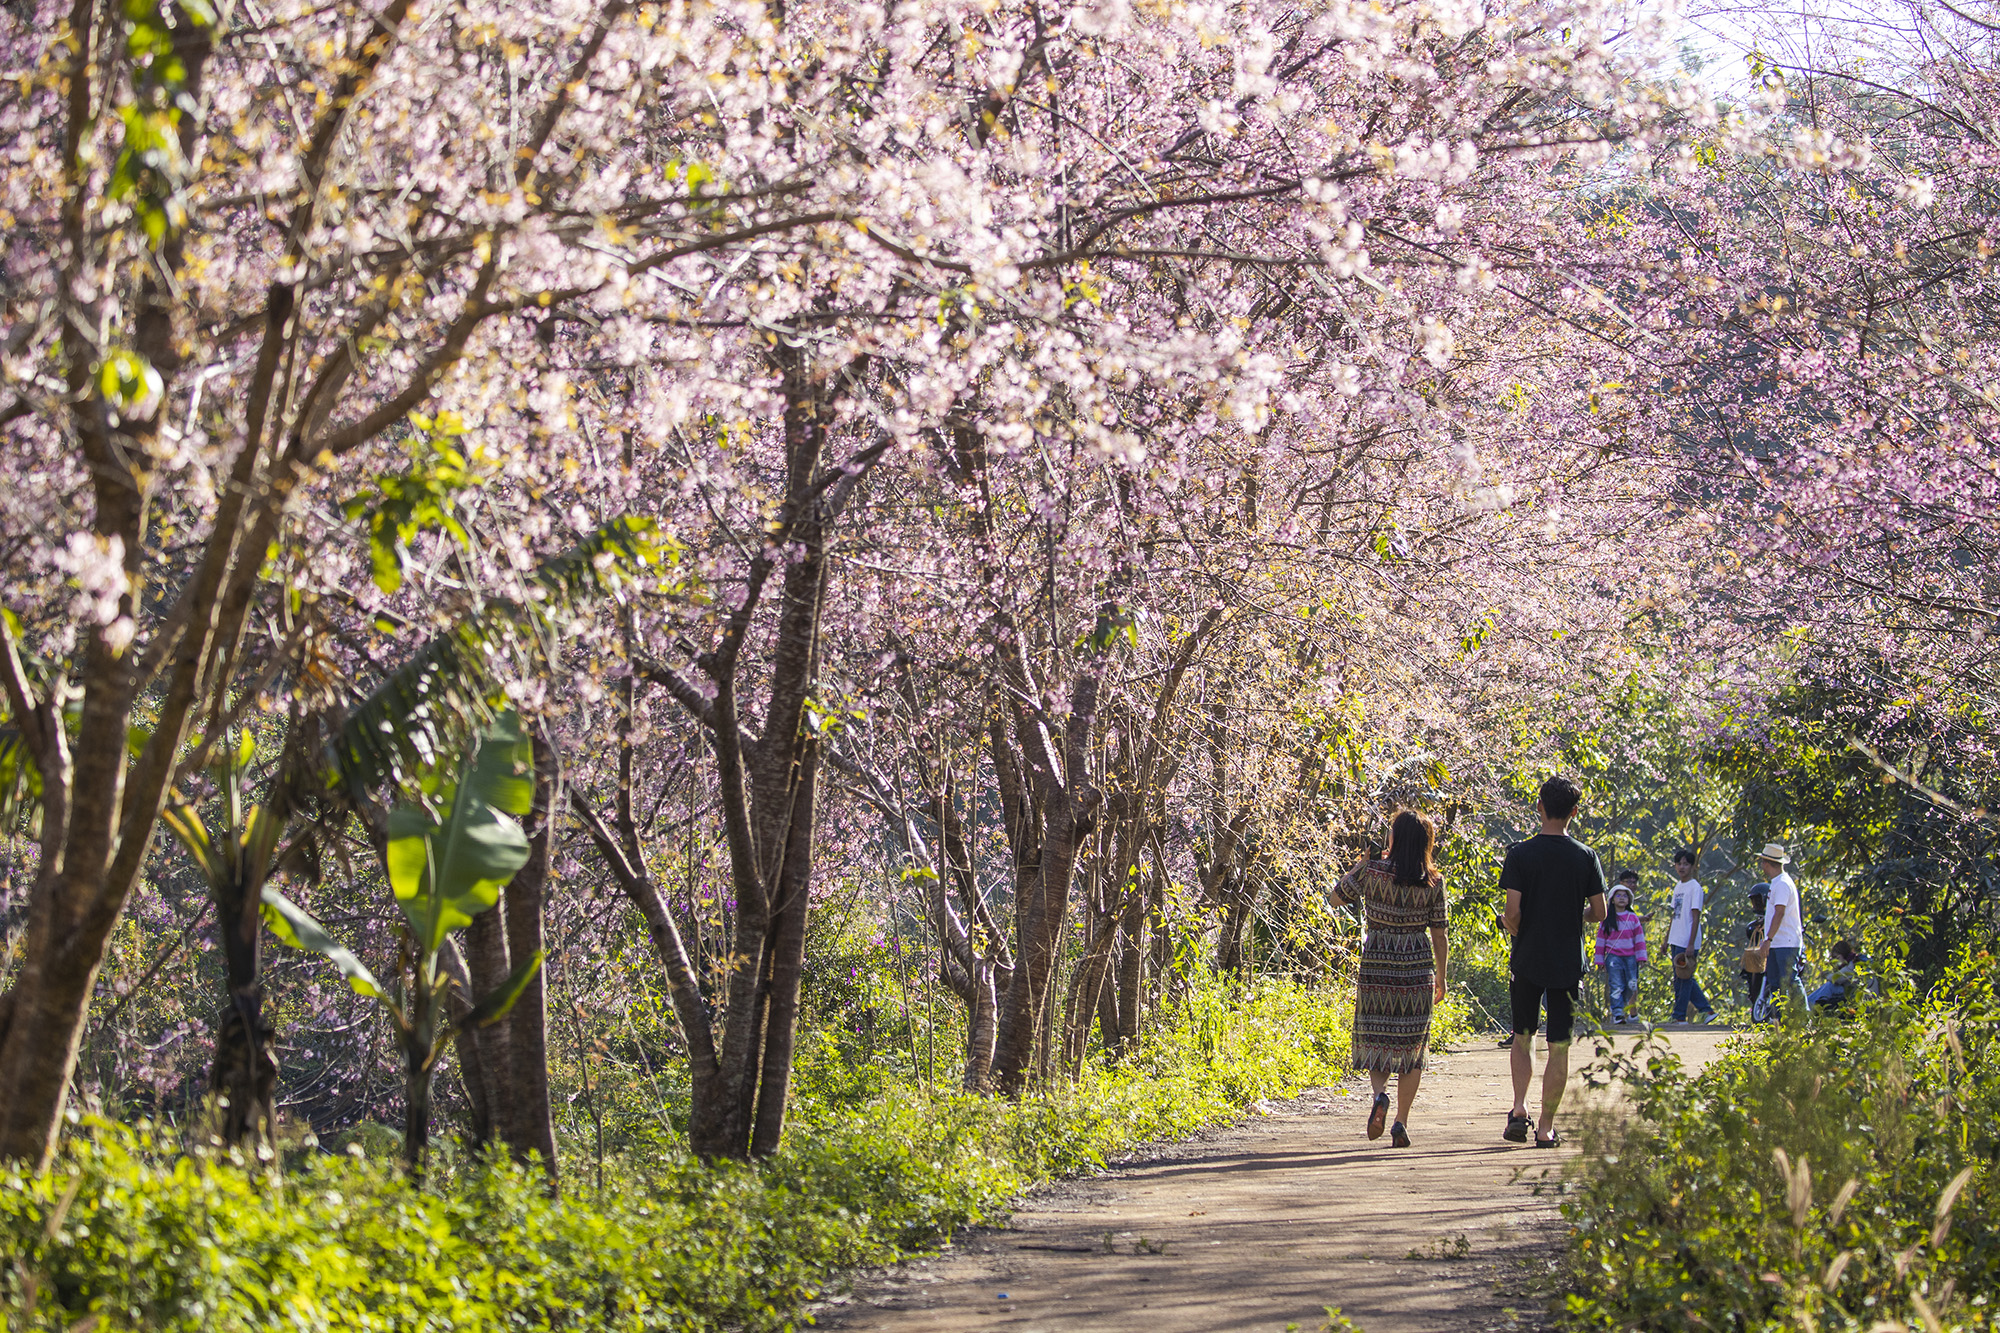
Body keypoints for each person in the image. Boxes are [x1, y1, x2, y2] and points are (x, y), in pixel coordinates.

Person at [1500, 775, 1607, 1149]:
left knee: (1523, 1036)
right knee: (1559, 1044)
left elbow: (1512, 911)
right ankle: (1545, 1127)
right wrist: (1574, 916)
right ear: (1574, 812)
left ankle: (1518, 1109)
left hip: (1527, 957)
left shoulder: (1520, 854)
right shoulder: (1585, 856)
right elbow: (1600, 911)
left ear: (1540, 807)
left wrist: (1515, 926)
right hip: (1567, 962)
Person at [1332, 809, 1450, 1148]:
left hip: (1377, 964)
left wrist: (1359, 865)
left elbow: (1335, 897)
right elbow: (1440, 934)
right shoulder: (1433, 881)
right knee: (1413, 1049)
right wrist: (1441, 977)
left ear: (1393, 838)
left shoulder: (1372, 872)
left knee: (1377, 1038)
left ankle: (1380, 1095)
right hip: (1416, 967)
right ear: (1426, 843)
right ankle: (1400, 1121)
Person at [1750, 844, 1809, 1016]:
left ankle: (1804, 1016)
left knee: (1790, 979)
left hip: (1786, 942)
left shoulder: (1782, 884)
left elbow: (1780, 912)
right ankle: (1778, 1017)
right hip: (1778, 942)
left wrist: (1768, 939)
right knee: (1774, 982)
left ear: (1767, 863)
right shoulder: (1776, 883)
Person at [1665, 849, 1716, 1025]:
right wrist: (1666, 940)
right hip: (1675, 938)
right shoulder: (1678, 886)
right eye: (1679, 863)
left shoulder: (1695, 888)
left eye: (1686, 864)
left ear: (1693, 867)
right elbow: (1674, 915)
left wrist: (1690, 943)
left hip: (1687, 940)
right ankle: (1706, 1010)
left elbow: (1695, 917)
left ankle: (1679, 1015)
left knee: (1683, 979)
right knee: (1682, 977)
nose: (1682, 867)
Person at [1593, 875, 1647, 1024]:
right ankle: (1617, 1013)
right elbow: (1601, 941)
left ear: (1629, 899)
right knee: (1616, 984)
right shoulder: (1607, 919)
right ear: (1612, 899)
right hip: (1613, 957)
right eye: (1618, 896)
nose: (1622, 898)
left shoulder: (1633, 918)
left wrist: (1642, 957)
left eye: (1625, 896)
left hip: (1630, 957)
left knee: (1631, 984)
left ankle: (1621, 1007)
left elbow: (1639, 939)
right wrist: (1599, 960)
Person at [1807, 938, 1862, 1010]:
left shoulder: (1854, 963)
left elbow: (1836, 978)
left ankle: (1807, 1005)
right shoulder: (1851, 962)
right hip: (1853, 994)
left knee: (1830, 985)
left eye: (1837, 958)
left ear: (1844, 955)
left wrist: (1826, 975)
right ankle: (1807, 1003)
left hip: (1856, 997)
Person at [1740, 887, 1769, 1016]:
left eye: (1759, 900)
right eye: (1754, 901)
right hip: (1758, 960)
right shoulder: (1756, 923)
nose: (1757, 904)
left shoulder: (1774, 917)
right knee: (1750, 973)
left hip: (1770, 955)